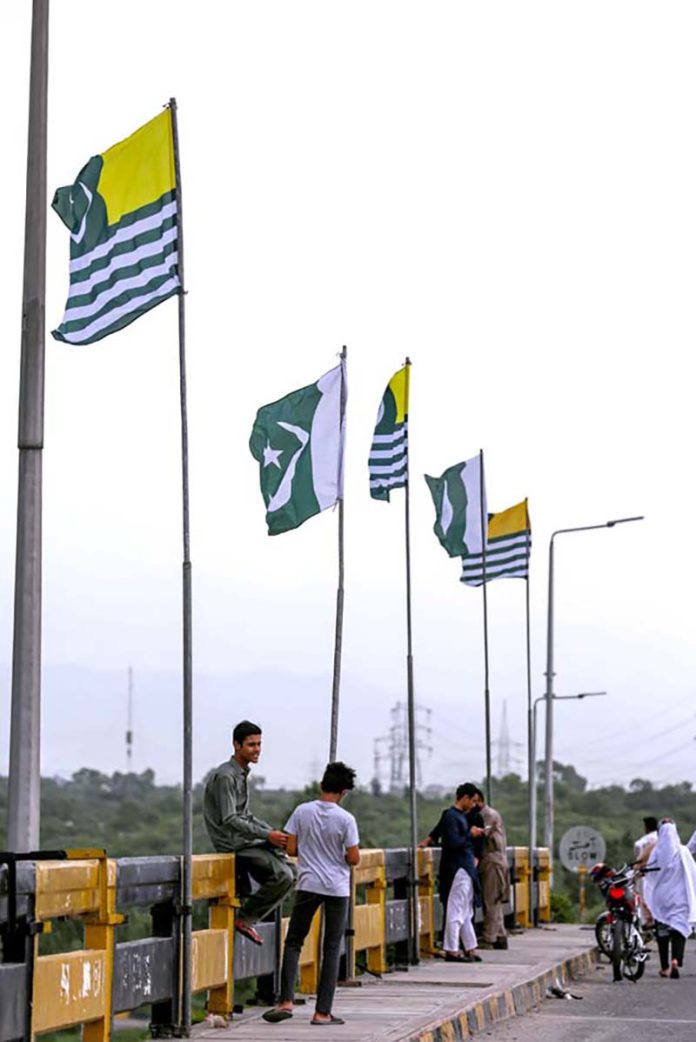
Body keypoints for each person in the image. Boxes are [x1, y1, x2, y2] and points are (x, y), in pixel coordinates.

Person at [263, 762, 360, 1026]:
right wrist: (337, 855)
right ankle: (322, 1012)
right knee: (331, 948)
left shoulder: (301, 811)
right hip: (337, 889)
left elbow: (291, 849)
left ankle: (285, 1001)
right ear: (344, 792)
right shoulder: (346, 819)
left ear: (321, 785)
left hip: (307, 884)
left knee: (294, 941)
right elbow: (353, 858)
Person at [203, 720, 296, 945]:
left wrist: (272, 833)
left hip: (247, 840)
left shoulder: (241, 774)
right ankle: (245, 919)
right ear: (236, 745)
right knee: (284, 876)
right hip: (233, 844)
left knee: (293, 869)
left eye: (259, 744)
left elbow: (246, 815)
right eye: (251, 745)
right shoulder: (226, 776)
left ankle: (249, 907)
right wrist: (266, 836)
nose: (257, 750)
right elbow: (230, 819)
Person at [643, 818, 696, 978]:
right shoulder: (683, 851)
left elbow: (649, 872)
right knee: (679, 928)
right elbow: (693, 873)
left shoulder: (656, 852)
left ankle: (665, 967)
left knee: (662, 931)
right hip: (680, 898)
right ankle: (675, 960)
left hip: (662, 898)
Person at [439, 783, 483, 962]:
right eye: (472, 801)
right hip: (458, 867)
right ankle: (451, 949)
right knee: (456, 910)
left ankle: (470, 947)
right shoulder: (451, 816)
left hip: (465, 868)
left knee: (465, 911)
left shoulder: (461, 817)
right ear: (464, 798)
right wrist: (470, 834)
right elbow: (452, 842)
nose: (474, 805)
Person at [472, 787, 510, 950]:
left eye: (474, 801)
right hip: (495, 860)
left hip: (493, 860)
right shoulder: (487, 814)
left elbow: (482, 833)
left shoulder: (487, 815)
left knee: (491, 900)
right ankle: (500, 936)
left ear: (480, 800)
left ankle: (488, 938)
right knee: (494, 900)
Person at [633, 816, 658, 926]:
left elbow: (638, 859)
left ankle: (647, 923)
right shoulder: (665, 839)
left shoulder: (642, 842)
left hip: (644, 874)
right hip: (661, 875)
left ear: (646, 827)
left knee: (643, 900)